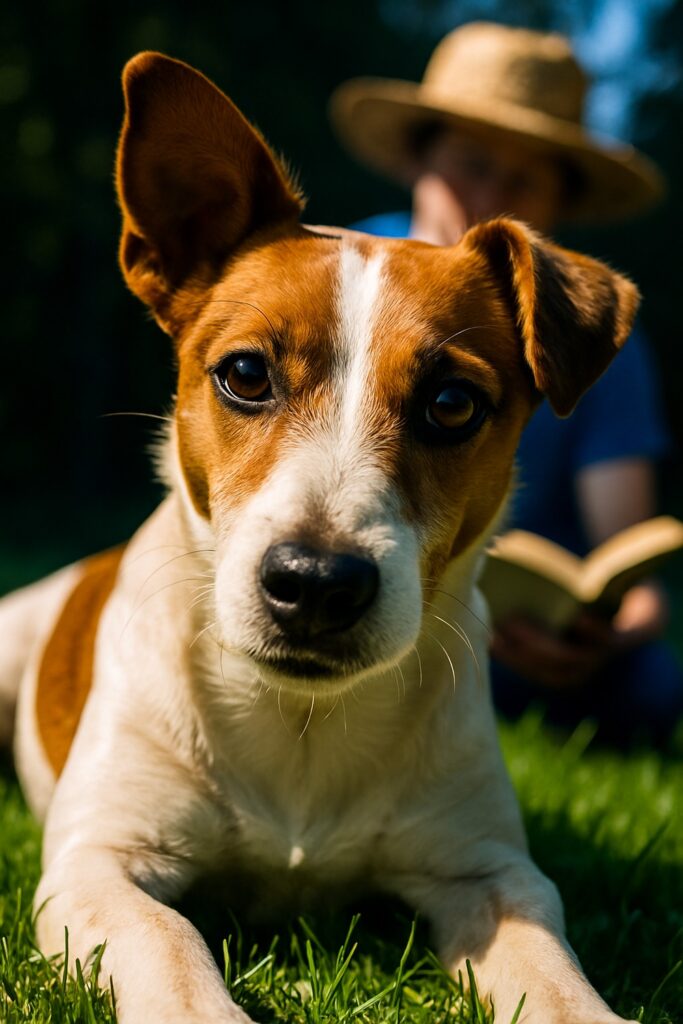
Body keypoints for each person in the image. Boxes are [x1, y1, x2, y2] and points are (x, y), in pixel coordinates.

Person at [330, 22, 683, 746]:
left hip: (527, 646)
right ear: (419, 159)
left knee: (654, 688)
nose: (489, 195)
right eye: (470, 162)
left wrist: (610, 630)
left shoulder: (592, 334)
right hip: (370, 592)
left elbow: (626, 559)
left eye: (522, 180)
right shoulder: (331, 276)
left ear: (560, 203)